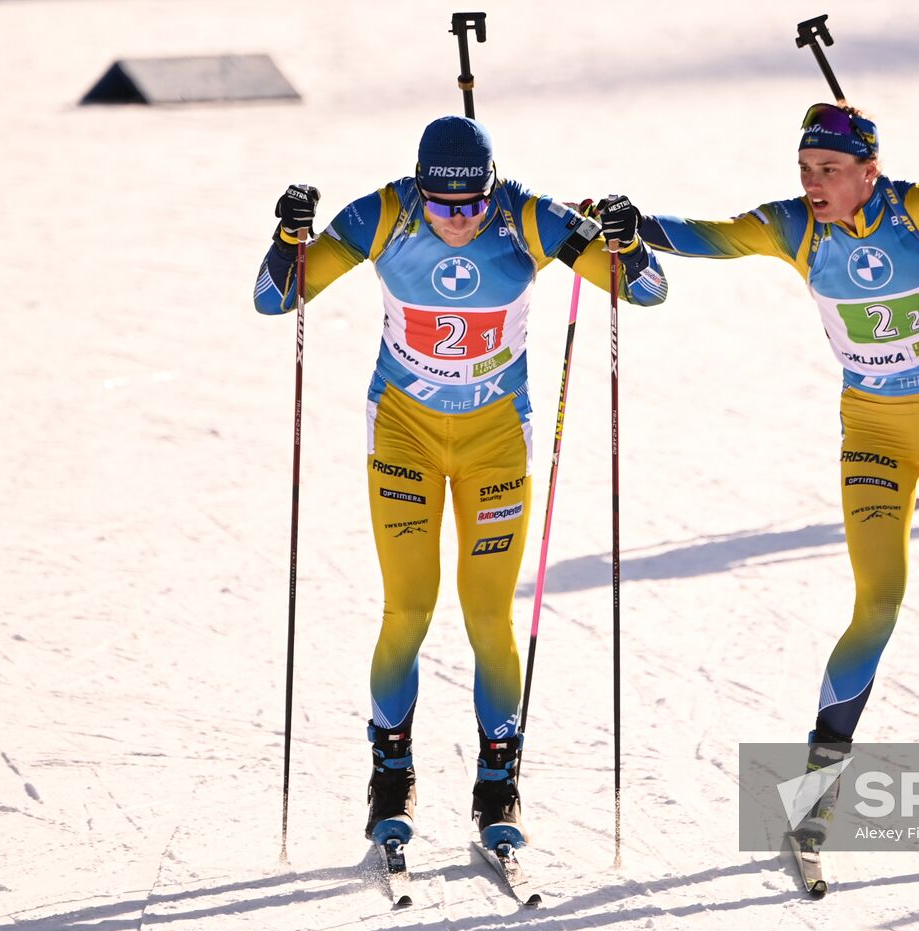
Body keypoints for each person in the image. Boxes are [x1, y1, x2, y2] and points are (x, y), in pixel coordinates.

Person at [636, 103, 919, 848]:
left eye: (830, 171)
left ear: (869, 173)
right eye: (806, 170)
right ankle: (815, 806)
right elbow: (707, 236)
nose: (814, 184)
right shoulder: (793, 228)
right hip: (873, 432)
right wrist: (632, 222)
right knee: (875, 605)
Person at [252, 116, 667, 852]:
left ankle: (498, 787)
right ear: (420, 190)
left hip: (496, 440)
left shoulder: (526, 216)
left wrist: (625, 241)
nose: (459, 220)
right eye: (444, 207)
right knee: (408, 608)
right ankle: (390, 774)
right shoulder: (384, 213)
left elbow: (645, 291)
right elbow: (276, 299)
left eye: (473, 204)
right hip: (405, 435)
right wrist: (289, 240)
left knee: (488, 618)